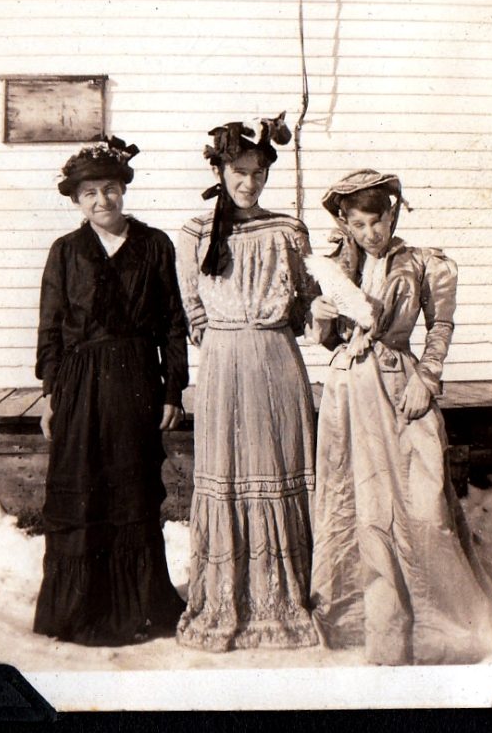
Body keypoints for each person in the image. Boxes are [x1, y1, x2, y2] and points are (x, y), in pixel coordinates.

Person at [308, 169, 492, 665]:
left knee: (421, 502)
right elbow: (332, 340)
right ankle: (369, 625)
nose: (370, 233)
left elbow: (441, 323)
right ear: (346, 225)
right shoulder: (340, 266)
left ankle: (441, 626)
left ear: (391, 215)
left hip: (400, 384)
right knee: (358, 501)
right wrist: (323, 319)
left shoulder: (421, 263)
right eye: (358, 224)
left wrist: (428, 378)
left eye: (376, 221)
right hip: (350, 392)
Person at [34, 135, 188, 646]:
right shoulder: (66, 252)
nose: (103, 201)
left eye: (110, 189)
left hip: (136, 381)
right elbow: (51, 328)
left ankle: (143, 605)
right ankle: (80, 609)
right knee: (83, 486)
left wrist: (173, 390)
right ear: (77, 201)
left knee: (134, 486)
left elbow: (172, 322)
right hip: (79, 385)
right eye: (90, 194)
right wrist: (51, 395)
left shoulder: (154, 245)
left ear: (124, 190)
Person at [175, 115, 319, 651]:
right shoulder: (194, 234)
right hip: (223, 366)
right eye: (239, 171)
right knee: (228, 475)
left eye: (258, 173)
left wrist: (327, 308)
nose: (249, 183)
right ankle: (228, 599)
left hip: (276, 362)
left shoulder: (287, 230)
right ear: (219, 169)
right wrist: (219, 339)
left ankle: (286, 597)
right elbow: (192, 307)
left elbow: (307, 308)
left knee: (280, 471)